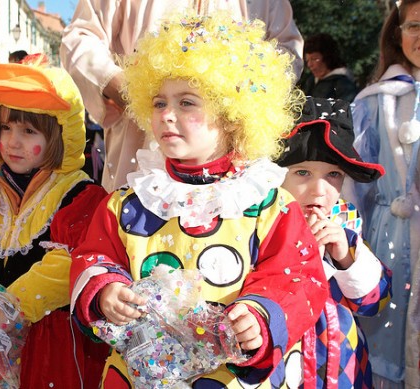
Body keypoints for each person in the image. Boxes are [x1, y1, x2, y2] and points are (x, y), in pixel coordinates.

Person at [69, 11, 328, 388]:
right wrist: (104, 290)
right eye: (158, 103)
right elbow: (93, 255)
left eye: (187, 103)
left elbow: (298, 276)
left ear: (232, 116)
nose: (167, 116)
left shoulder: (269, 204)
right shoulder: (129, 202)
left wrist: (259, 315)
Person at [0, 57, 110, 388]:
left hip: (45, 340)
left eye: (28, 131)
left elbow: (73, 259)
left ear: (60, 134)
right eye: (6, 128)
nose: (13, 141)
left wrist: (14, 305)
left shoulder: (79, 196)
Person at [61, 0, 305, 192]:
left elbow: (286, 53)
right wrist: (120, 86)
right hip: (139, 140)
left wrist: (242, 96)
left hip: (231, 155)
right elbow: (80, 38)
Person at [276, 97, 392, 388]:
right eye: (302, 173)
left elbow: (373, 303)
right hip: (283, 357)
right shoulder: (263, 226)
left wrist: (346, 258)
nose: (319, 190)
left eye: (334, 175)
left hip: (342, 362)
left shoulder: (343, 224)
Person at [341, 1, 420, 387]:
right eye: (414, 26)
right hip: (390, 243)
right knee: (386, 348)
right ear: (397, 33)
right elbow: (353, 189)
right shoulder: (375, 101)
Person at [298, 33, 359, 102]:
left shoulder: (343, 85)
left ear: (328, 57)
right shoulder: (310, 81)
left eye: (314, 59)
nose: (309, 64)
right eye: (307, 60)